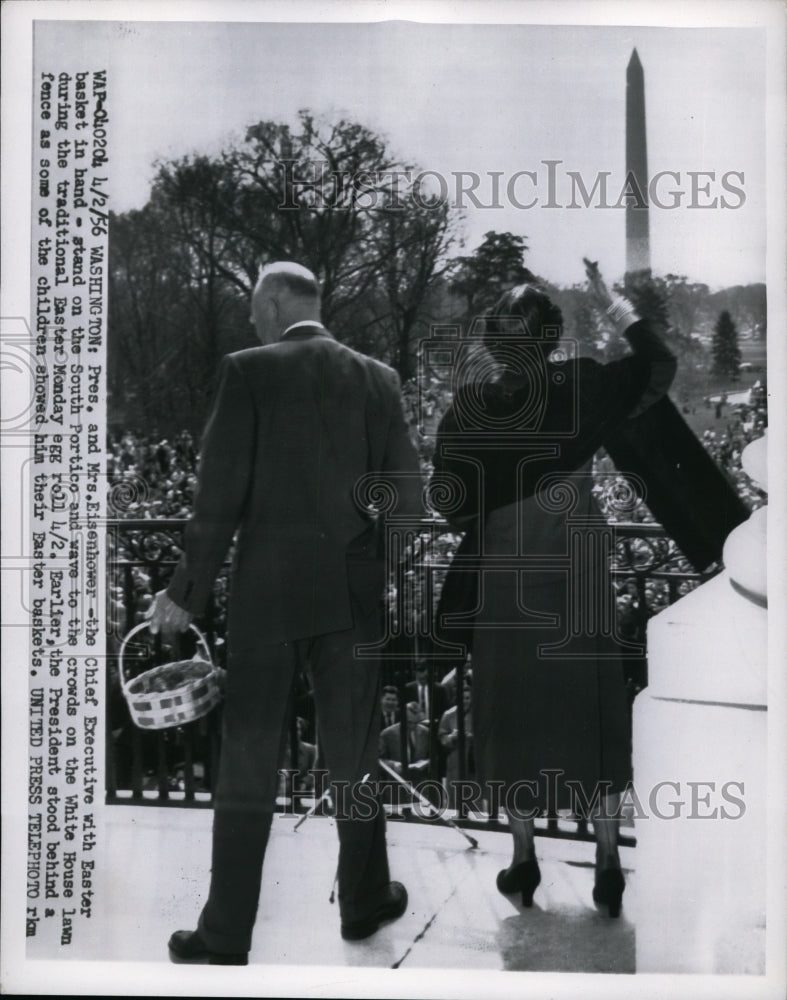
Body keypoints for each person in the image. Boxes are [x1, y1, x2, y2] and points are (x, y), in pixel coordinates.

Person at [148, 261, 422, 963]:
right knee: (354, 759)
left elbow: (217, 501)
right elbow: (407, 505)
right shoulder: (378, 379)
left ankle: (225, 934)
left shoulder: (247, 372)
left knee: (247, 763)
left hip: (266, 600)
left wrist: (185, 593)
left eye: (252, 309)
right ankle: (362, 901)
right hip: (350, 601)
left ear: (273, 303)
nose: (249, 323)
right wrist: (373, 572)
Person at [429, 262, 676, 915]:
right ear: (550, 338)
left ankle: (523, 860)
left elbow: (447, 503)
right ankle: (605, 863)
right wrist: (614, 304)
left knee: (511, 710)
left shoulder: (469, 408)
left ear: (493, 343)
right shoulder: (584, 384)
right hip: (577, 557)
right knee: (590, 704)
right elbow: (657, 366)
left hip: (508, 565)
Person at [438, 682, 474, 809]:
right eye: (463, 698)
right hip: (455, 759)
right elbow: (441, 738)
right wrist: (451, 737)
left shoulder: (478, 714)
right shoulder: (448, 715)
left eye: (468, 698)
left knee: (473, 796)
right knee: (454, 797)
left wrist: (471, 736)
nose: (465, 701)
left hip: (472, 760)